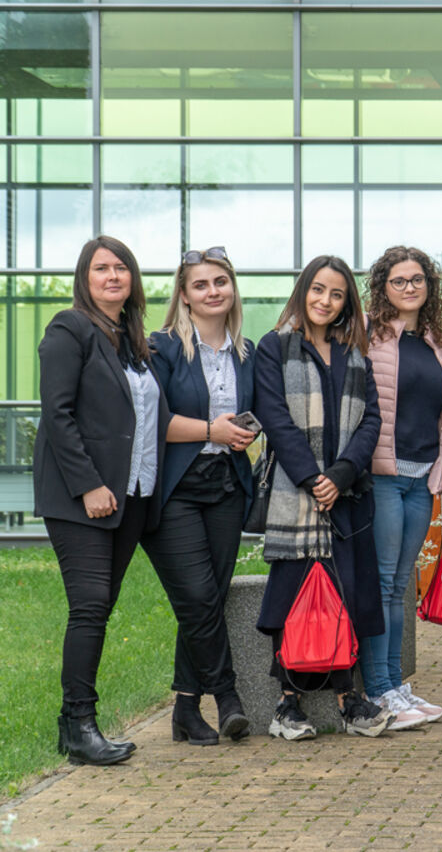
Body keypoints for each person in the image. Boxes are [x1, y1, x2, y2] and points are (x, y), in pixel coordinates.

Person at [35, 236, 169, 766]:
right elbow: (58, 414)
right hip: (81, 498)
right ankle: (79, 724)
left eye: (121, 268)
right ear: (84, 279)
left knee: (101, 608)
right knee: (89, 606)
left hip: (131, 494)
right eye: (101, 269)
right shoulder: (69, 329)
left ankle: (75, 726)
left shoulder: (132, 340)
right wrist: (88, 483)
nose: (112, 276)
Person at [254, 255, 392, 740]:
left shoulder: (354, 353)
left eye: (336, 294)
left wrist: (340, 474)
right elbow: (274, 418)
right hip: (298, 498)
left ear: (346, 302)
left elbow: (371, 420)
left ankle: (348, 702)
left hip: (347, 496)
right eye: (317, 290)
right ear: (303, 291)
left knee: (344, 598)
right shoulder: (274, 348)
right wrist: (314, 479)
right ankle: (286, 706)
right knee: (293, 602)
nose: (325, 301)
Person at [142, 246, 256, 746]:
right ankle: (227, 697)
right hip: (177, 489)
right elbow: (155, 421)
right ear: (184, 297)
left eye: (221, 282)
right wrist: (213, 429)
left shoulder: (247, 352)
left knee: (208, 599)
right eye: (201, 285)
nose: (213, 291)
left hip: (227, 485)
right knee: (198, 596)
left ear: (232, 289)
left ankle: (185, 709)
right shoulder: (161, 348)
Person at [359, 245, 442, 730]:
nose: (410, 287)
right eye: (400, 280)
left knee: (399, 586)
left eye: (418, 279)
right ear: (383, 287)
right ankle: (377, 689)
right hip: (383, 477)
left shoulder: (436, 342)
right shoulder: (369, 335)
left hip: (421, 481)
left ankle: (395, 684)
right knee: (382, 583)